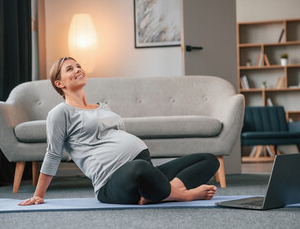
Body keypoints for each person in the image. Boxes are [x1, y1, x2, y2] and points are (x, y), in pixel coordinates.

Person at [19, 57, 220, 206]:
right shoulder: (60, 112)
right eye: (70, 69)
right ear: (60, 83)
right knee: (139, 167)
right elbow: (53, 154)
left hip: (146, 171)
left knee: (209, 159)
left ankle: (162, 193)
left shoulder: (102, 107)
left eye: (78, 66)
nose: (78, 69)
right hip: (112, 183)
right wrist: (39, 194)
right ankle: (184, 195)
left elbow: (120, 138)